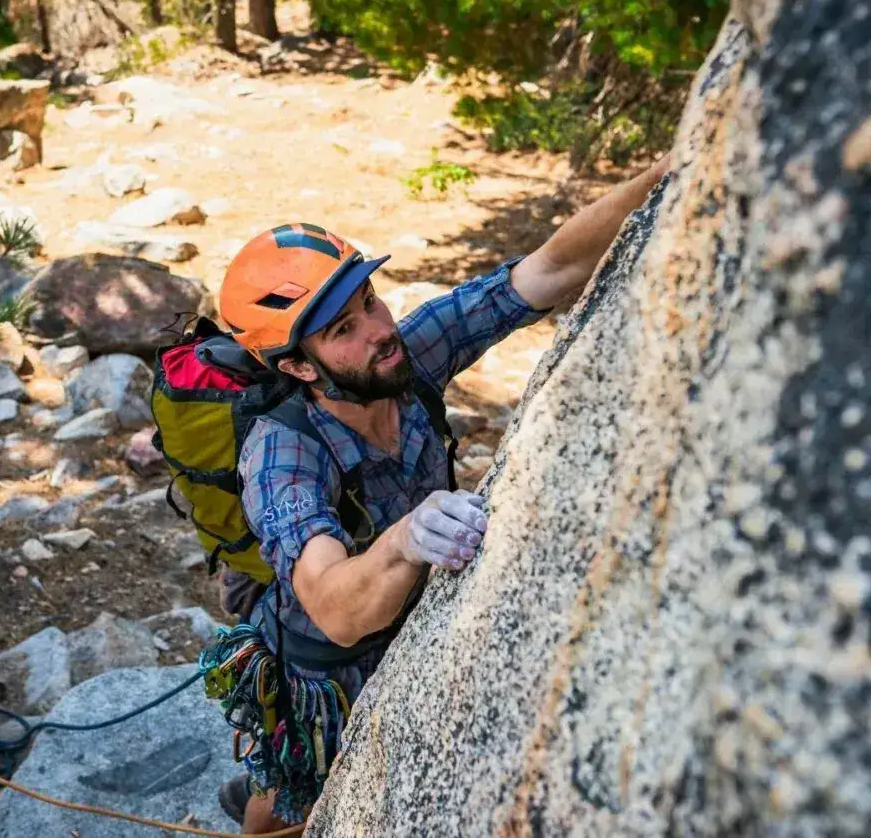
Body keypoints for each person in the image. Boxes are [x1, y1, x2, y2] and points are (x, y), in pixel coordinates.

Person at [212, 158, 670, 832]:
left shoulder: (403, 356)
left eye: (369, 301)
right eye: (343, 329)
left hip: (413, 618)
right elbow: (334, 607)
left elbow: (548, 270)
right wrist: (404, 538)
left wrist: (670, 170)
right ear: (300, 366)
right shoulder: (283, 453)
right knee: (291, 797)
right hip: (326, 670)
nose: (379, 328)